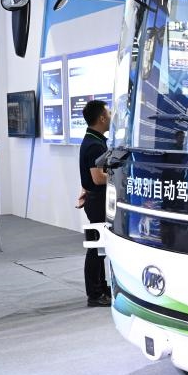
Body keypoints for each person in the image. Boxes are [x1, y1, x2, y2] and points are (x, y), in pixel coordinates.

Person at [77, 100, 112, 307]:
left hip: (96, 199)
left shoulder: (95, 140)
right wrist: (120, 175)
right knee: (96, 248)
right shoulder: (94, 144)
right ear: (101, 118)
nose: (111, 116)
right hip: (98, 200)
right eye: (109, 113)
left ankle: (101, 287)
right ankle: (95, 293)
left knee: (100, 248)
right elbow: (98, 178)